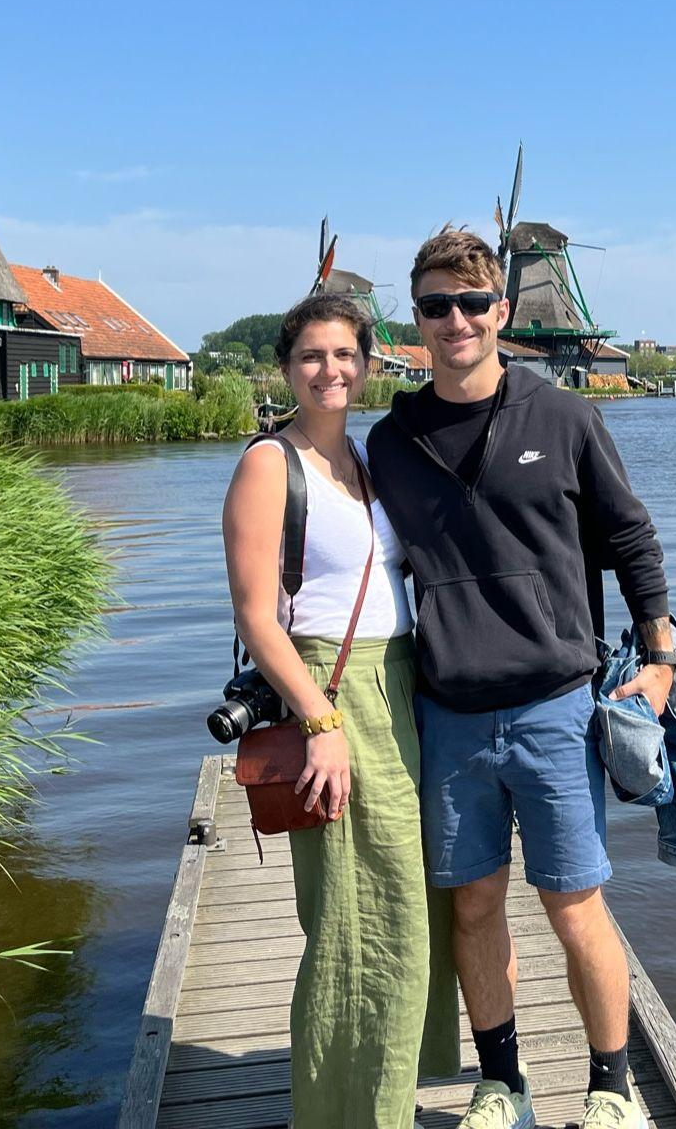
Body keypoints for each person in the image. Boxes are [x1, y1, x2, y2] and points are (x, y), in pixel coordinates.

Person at [367, 228, 676, 1129]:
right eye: (436, 306)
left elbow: (632, 541)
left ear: (503, 312)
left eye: (472, 303)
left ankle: (612, 1088)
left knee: (577, 906)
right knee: (474, 908)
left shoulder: (566, 418)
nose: (455, 320)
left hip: (554, 706)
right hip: (451, 711)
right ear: (418, 320)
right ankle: (503, 1084)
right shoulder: (390, 441)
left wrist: (658, 660)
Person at [221, 292, 458, 1128]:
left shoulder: (359, 460)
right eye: (314, 356)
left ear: (367, 363)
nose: (332, 369)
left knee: (407, 903)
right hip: (330, 687)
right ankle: (347, 1113)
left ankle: (377, 1096)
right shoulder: (267, 464)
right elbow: (257, 615)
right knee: (359, 919)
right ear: (288, 367)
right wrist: (321, 722)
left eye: (346, 355)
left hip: (396, 689)